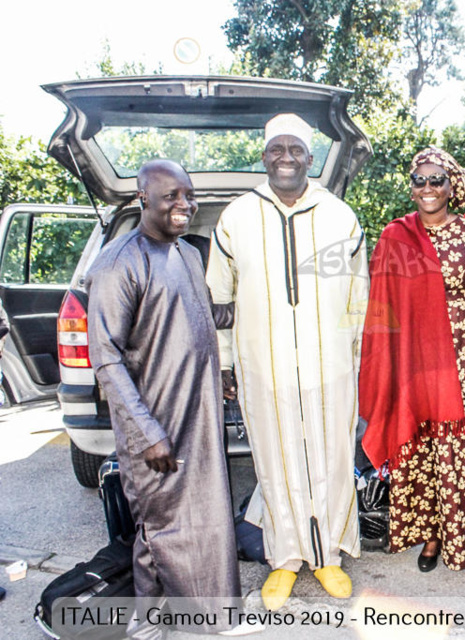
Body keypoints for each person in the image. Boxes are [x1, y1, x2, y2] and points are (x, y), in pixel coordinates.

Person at [206, 114, 368, 607]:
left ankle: (329, 557)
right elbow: (219, 298)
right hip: (263, 369)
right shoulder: (237, 217)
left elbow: (358, 297)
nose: (286, 157)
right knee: (274, 463)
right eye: (277, 148)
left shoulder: (340, 216)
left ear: (310, 158)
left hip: (330, 366)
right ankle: (285, 558)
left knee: (333, 459)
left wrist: (357, 359)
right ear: (264, 156)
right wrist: (227, 363)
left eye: (295, 149)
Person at [86, 160, 241, 636]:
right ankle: (147, 624)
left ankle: (208, 616)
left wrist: (257, 301)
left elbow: (202, 316)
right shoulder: (118, 263)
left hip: (196, 411)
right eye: (171, 195)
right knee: (161, 527)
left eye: (188, 195)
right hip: (152, 421)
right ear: (143, 200)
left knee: (205, 521)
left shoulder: (187, 255)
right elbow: (105, 358)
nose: (184, 205)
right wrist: (146, 432)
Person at [359, 147, 465, 580]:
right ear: (411, 188)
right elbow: (382, 305)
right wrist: (386, 364)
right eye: (420, 180)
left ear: (452, 185)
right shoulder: (396, 235)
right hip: (418, 355)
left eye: (436, 180)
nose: (427, 188)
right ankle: (433, 533)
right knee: (425, 444)